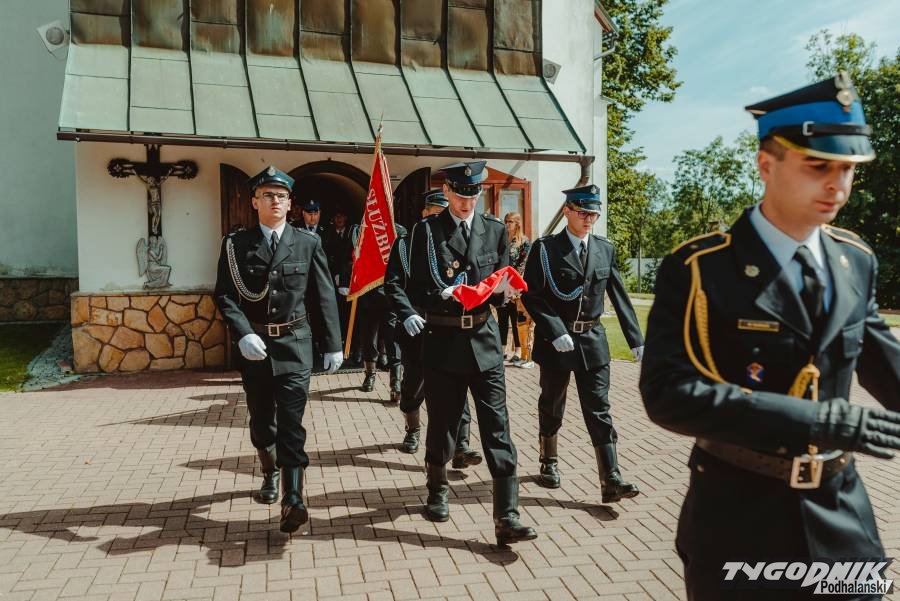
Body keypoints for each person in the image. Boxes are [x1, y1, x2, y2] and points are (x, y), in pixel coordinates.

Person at [639, 73, 900, 600]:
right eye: (818, 166)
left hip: (839, 510)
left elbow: (882, 358)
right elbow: (668, 393)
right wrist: (817, 420)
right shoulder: (701, 267)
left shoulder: (855, 260)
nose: (837, 184)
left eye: (848, 168)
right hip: (738, 513)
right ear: (766, 164)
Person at [405, 161, 536, 547]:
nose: (467, 202)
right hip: (443, 340)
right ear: (447, 191)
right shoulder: (426, 232)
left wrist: (504, 291)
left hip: (484, 341)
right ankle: (437, 490)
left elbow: (500, 279)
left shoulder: (494, 230)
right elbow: (414, 287)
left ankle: (507, 514)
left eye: (473, 194)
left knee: (497, 426)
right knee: (443, 424)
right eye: (460, 195)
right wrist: (442, 295)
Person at [214, 166, 343, 534]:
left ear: (290, 204)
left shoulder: (307, 243)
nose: (275, 201)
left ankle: (293, 498)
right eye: (268, 195)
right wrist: (242, 333)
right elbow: (224, 295)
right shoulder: (236, 245)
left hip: (295, 346)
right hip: (256, 347)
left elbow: (323, 296)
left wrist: (333, 344)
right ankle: (270, 470)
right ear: (255, 202)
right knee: (262, 422)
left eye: (282, 196)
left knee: (291, 422)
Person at [521, 185, 644, 501]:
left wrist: (636, 339)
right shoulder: (546, 249)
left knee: (599, 408)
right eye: (583, 212)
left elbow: (619, 295)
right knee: (552, 403)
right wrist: (554, 329)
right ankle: (548, 460)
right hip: (557, 342)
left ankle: (611, 477)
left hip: (592, 340)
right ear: (567, 211)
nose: (589, 219)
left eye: (594, 214)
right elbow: (532, 295)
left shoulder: (604, 249)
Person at [384, 189, 480, 465]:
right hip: (418, 326)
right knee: (414, 384)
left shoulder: (459, 242)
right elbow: (393, 284)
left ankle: (461, 445)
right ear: (424, 213)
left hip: (450, 328)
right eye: (435, 213)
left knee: (458, 385)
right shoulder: (406, 244)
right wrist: (406, 313)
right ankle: (413, 428)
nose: (441, 218)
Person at [498, 212, 531, 366]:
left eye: (510, 221)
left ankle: (518, 351)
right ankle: (502, 349)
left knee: (515, 318)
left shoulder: (524, 241)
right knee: (502, 318)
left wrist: (513, 283)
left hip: (516, 285)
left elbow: (523, 264)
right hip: (502, 283)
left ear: (517, 223)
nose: (507, 224)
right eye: (505, 221)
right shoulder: (502, 239)